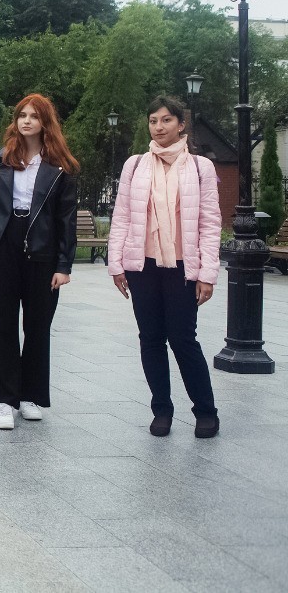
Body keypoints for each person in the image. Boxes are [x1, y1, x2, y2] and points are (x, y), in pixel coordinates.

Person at [108, 96, 221, 439]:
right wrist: (116, 265)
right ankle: (162, 409)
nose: (159, 127)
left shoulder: (200, 167)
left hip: (183, 267)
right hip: (142, 266)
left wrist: (207, 274)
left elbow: (209, 223)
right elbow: (122, 216)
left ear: (181, 124)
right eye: (153, 121)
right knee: (151, 339)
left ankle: (205, 411)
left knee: (183, 339)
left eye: (166, 120)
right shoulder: (135, 165)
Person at [0, 94, 78, 430]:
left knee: (37, 325)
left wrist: (63, 266)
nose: (27, 121)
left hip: (42, 250)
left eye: (34, 116)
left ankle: (30, 396)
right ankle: (5, 400)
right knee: (1, 325)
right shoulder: (0, 160)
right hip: (4, 245)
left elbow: (66, 219)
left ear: (45, 122)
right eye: (22, 115)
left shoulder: (60, 167)